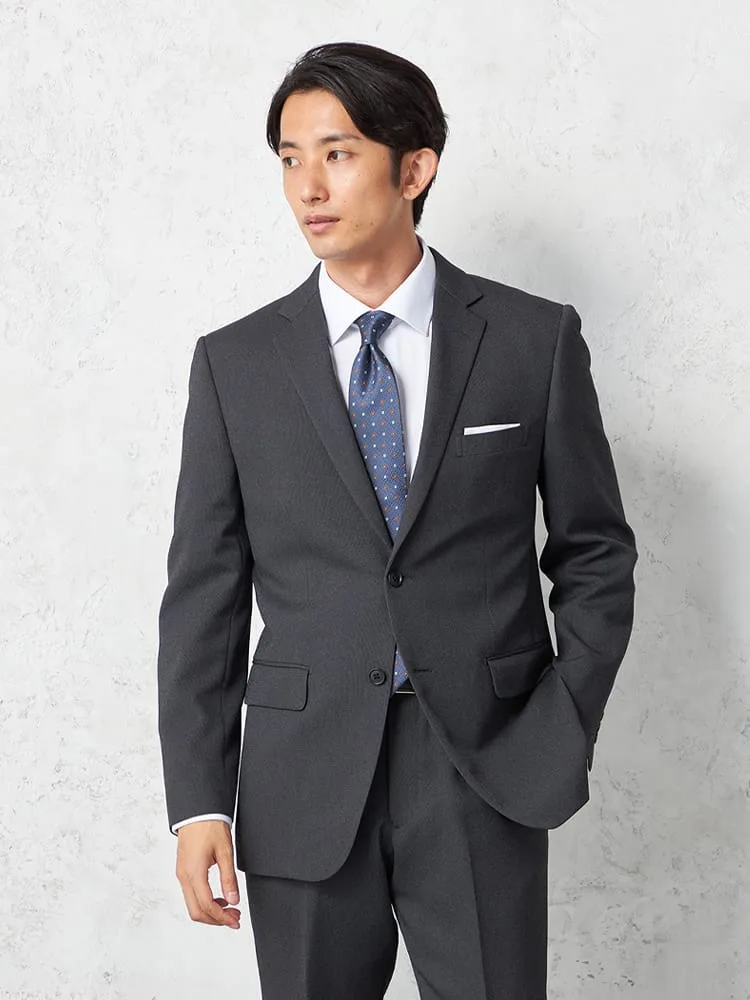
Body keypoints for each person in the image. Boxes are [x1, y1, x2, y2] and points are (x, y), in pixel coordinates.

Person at [157, 40, 638, 1000]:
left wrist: (558, 720)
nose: (308, 187)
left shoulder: (533, 340)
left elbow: (594, 553)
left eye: (337, 154)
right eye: (290, 159)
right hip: (301, 776)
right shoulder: (235, 364)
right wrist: (199, 801)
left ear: (413, 170)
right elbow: (203, 596)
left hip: (484, 763)